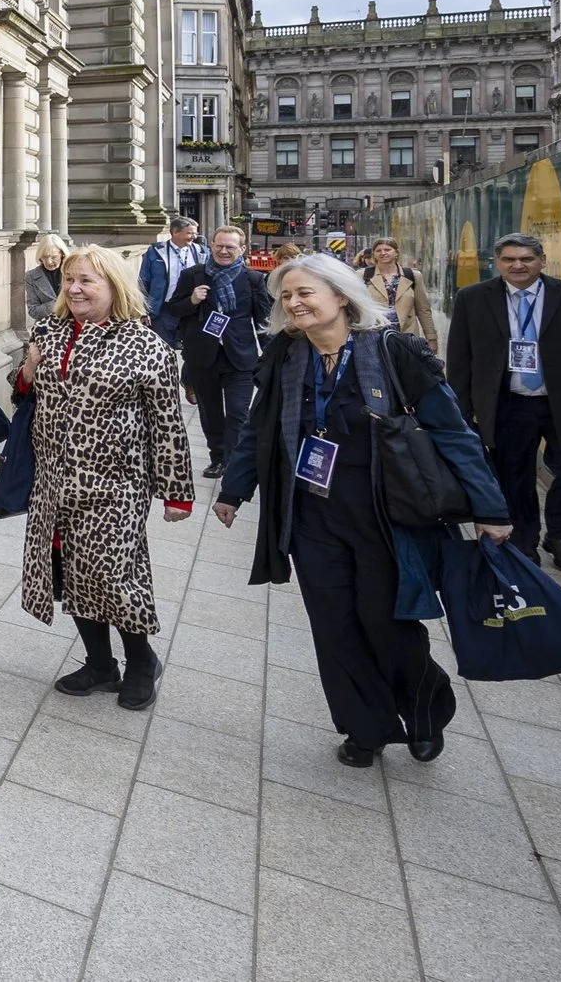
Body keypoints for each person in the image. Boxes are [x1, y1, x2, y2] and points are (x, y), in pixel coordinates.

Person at [215, 254, 513, 766]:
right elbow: (259, 429)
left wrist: (490, 507)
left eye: (305, 293)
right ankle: (365, 727)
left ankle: (424, 709)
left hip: (385, 515)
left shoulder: (395, 352)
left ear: (341, 296)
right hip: (311, 514)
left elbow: (453, 433)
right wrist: (233, 490)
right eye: (286, 295)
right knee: (334, 627)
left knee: (385, 623)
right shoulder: (286, 354)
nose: (293, 303)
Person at [17, 244, 194, 709]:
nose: (74, 289)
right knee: (69, 572)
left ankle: (141, 663)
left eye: (86, 281)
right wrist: (28, 369)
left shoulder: (145, 346)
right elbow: (25, 391)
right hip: (54, 481)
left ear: (114, 286)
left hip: (116, 484)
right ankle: (100, 664)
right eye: (70, 279)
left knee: (114, 576)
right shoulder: (49, 331)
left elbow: (168, 425)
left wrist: (177, 493)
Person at [446, 232, 561, 574]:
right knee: (513, 477)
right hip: (507, 404)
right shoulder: (472, 299)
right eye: (509, 259)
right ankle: (524, 541)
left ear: (542, 261)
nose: (518, 265)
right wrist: (461, 411)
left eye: (526, 259)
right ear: (497, 263)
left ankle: (559, 534)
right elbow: (460, 359)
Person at [163, 225, 274, 480]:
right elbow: (174, 310)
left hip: (240, 357)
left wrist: (272, 357)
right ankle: (218, 458)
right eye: (219, 246)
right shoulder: (193, 275)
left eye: (230, 247)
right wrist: (191, 301)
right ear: (211, 246)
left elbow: (264, 322)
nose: (223, 251)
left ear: (242, 249)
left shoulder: (253, 279)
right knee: (210, 413)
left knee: (238, 413)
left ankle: (234, 463)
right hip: (203, 356)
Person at [138, 218, 204, 343]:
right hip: (163, 309)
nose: (194, 237)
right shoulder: (155, 251)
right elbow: (143, 281)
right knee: (163, 347)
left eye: (195, 233)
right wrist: (142, 310)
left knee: (192, 348)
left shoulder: (201, 251)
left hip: (191, 308)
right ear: (175, 232)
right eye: (189, 233)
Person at [362, 238, 436, 344]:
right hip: (374, 338)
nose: (383, 253)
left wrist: (431, 338)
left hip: (406, 337)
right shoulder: (363, 275)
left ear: (396, 253)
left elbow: (423, 310)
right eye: (378, 250)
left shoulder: (413, 276)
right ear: (374, 254)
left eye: (387, 250)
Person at [23, 235, 68, 324]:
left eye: (54, 257)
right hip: (46, 328)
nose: (49, 262)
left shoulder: (72, 272)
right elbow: (33, 311)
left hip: (73, 326)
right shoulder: (31, 276)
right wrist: (58, 303)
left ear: (62, 254)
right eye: (44, 257)